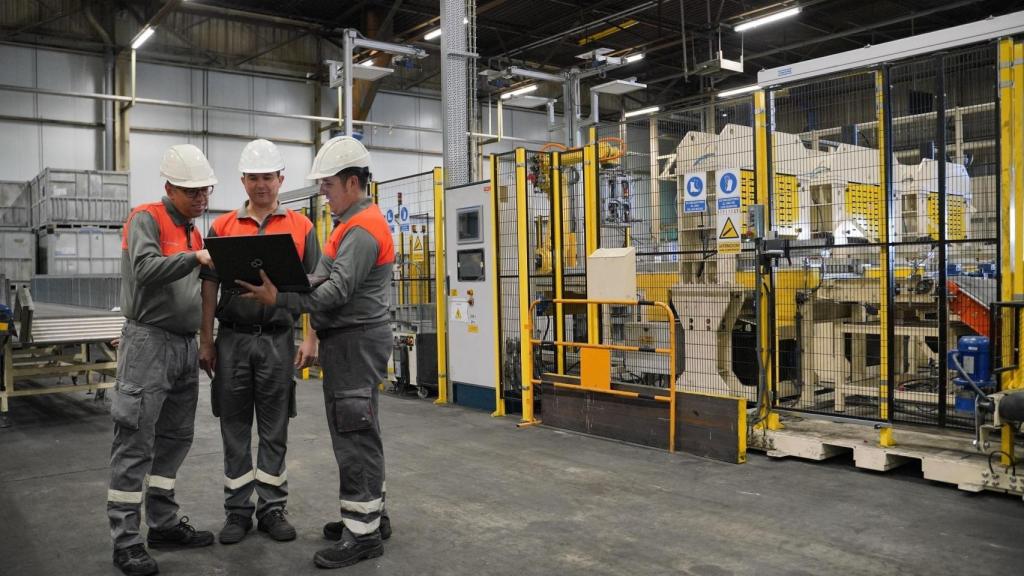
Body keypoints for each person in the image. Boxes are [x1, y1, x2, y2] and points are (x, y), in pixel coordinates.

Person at [238, 135, 393, 569]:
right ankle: (370, 515)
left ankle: (362, 535)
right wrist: (278, 276)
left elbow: (336, 292)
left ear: (351, 182)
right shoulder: (346, 227)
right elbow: (318, 277)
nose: (323, 193)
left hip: (355, 341)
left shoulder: (362, 231)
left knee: (353, 432)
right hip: (350, 340)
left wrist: (278, 300)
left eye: (327, 185)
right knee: (361, 427)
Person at [198, 138, 321, 545]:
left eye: (268, 177)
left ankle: (272, 509)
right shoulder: (223, 227)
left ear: (280, 179)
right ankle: (237, 512)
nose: (261, 185)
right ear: (243, 180)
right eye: (253, 178)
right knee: (233, 425)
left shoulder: (302, 227)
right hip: (232, 339)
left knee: (274, 426)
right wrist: (207, 340)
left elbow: (316, 287)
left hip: (277, 339)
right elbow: (210, 286)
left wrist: (311, 337)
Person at [108, 144, 217, 576]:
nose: (201, 199)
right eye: (192, 192)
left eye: (205, 191)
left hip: (183, 346)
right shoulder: (146, 218)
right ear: (169, 187)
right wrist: (195, 257)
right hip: (149, 345)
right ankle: (126, 541)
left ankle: (164, 523)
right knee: (134, 441)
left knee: (174, 439)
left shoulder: (193, 229)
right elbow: (146, 268)